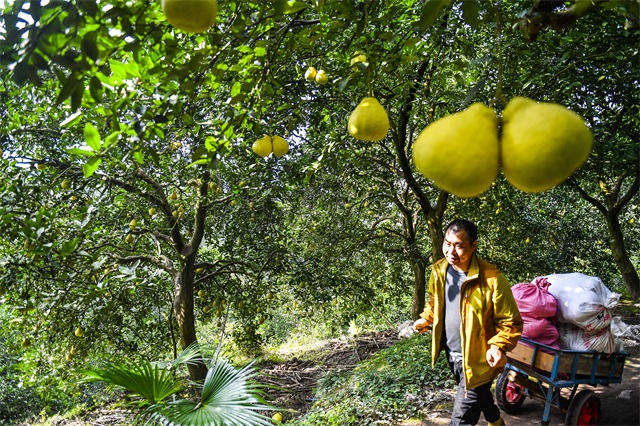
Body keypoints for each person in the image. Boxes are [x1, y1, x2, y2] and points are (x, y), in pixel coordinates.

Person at [414, 219, 523, 426]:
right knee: (480, 398)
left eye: (459, 245)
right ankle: (496, 422)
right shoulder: (439, 271)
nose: (451, 251)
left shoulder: (492, 279)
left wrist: (498, 345)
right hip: (452, 354)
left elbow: (511, 321)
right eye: (447, 243)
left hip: (479, 360)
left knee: (462, 419)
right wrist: (426, 318)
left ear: (474, 245)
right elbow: (435, 302)